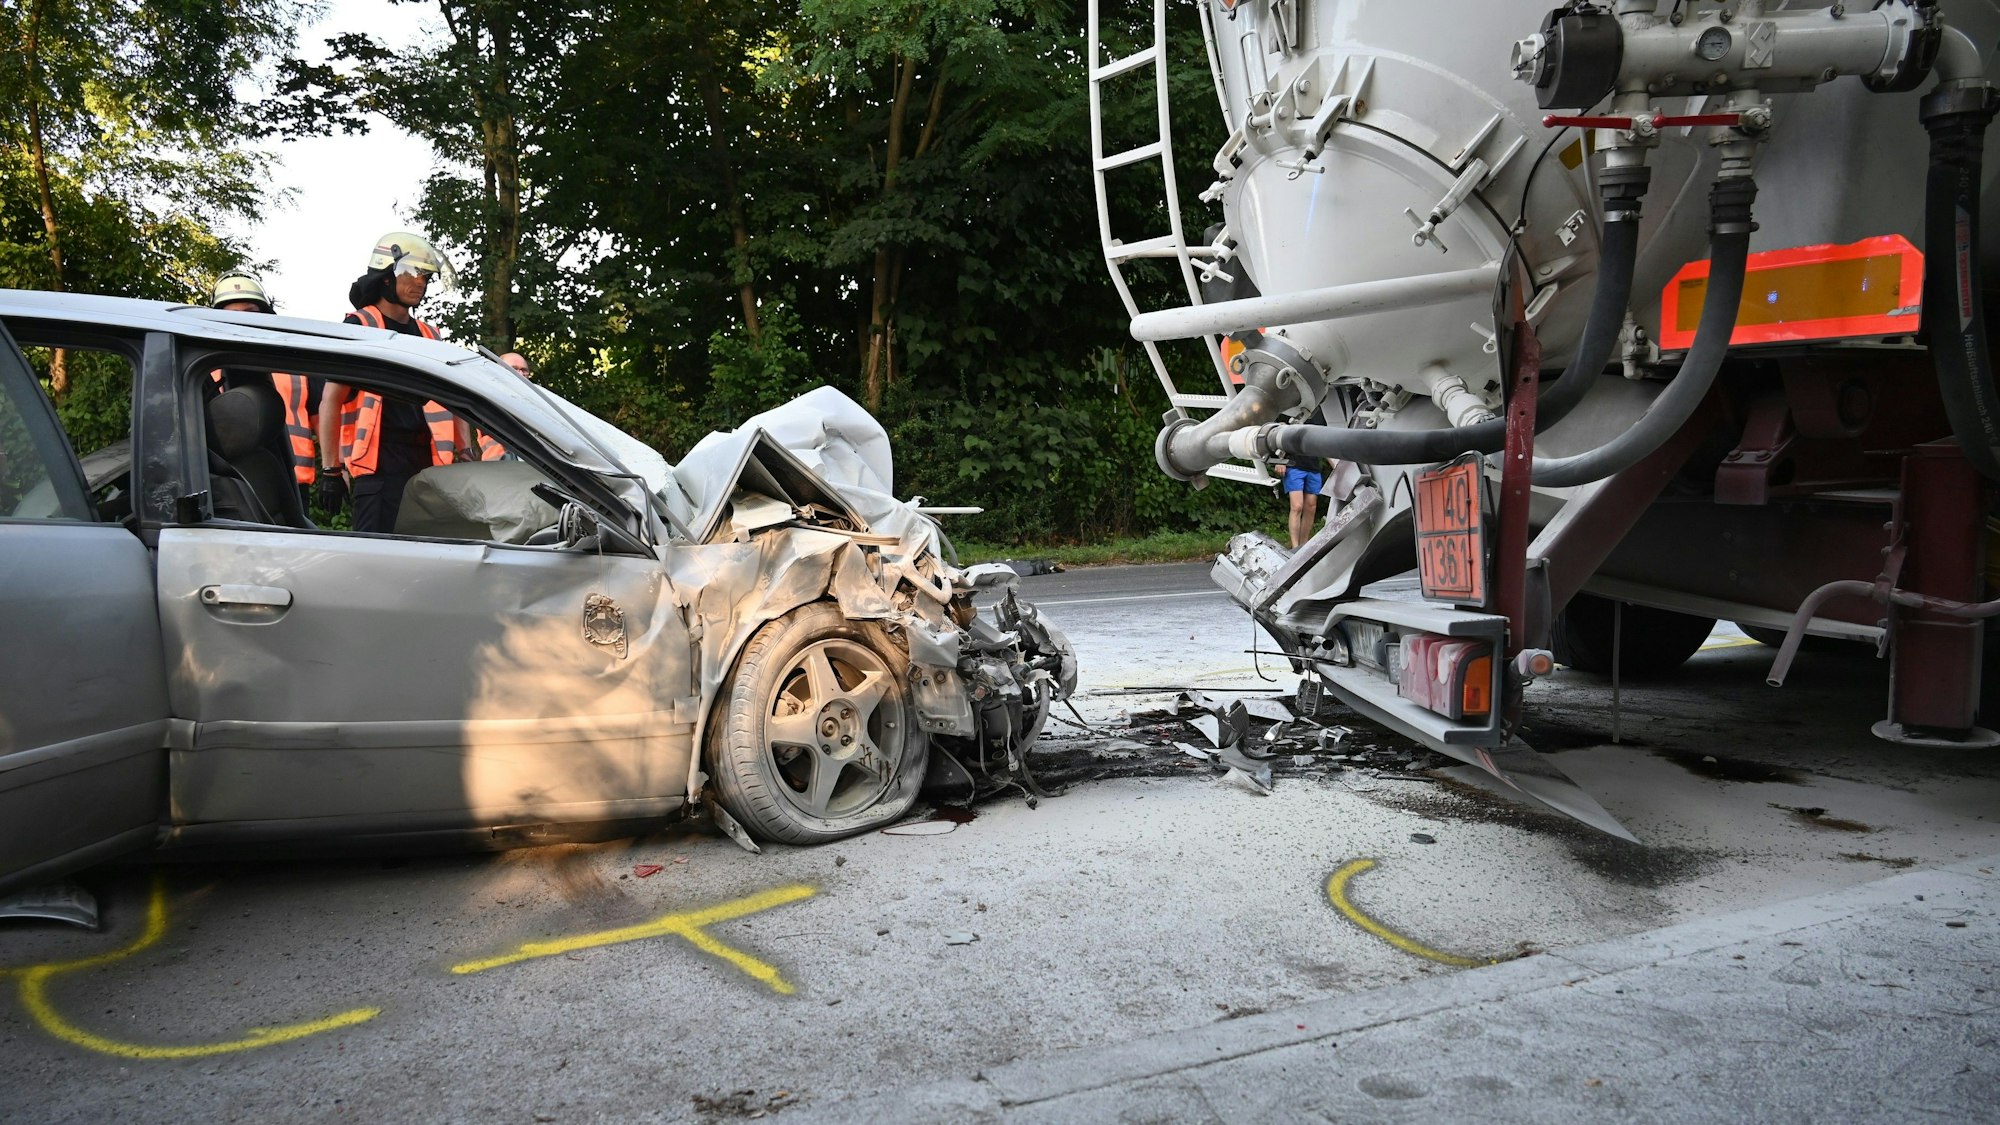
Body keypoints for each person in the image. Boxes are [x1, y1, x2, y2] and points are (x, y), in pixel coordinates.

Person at [317, 231, 467, 533]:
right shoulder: (360, 325)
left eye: (425, 276)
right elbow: (331, 399)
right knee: (376, 554)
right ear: (385, 277)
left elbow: (456, 399)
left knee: (426, 552)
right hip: (378, 465)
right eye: (412, 273)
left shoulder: (429, 334)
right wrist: (331, 469)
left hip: (426, 463)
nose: (420, 282)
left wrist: (465, 452)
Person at [210, 272, 322, 512]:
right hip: (229, 484)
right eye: (231, 315)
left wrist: (334, 470)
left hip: (292, 481)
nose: (242, 322)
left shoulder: (295, 365)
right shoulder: (203, 370)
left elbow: (319, 418)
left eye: (250, 313)